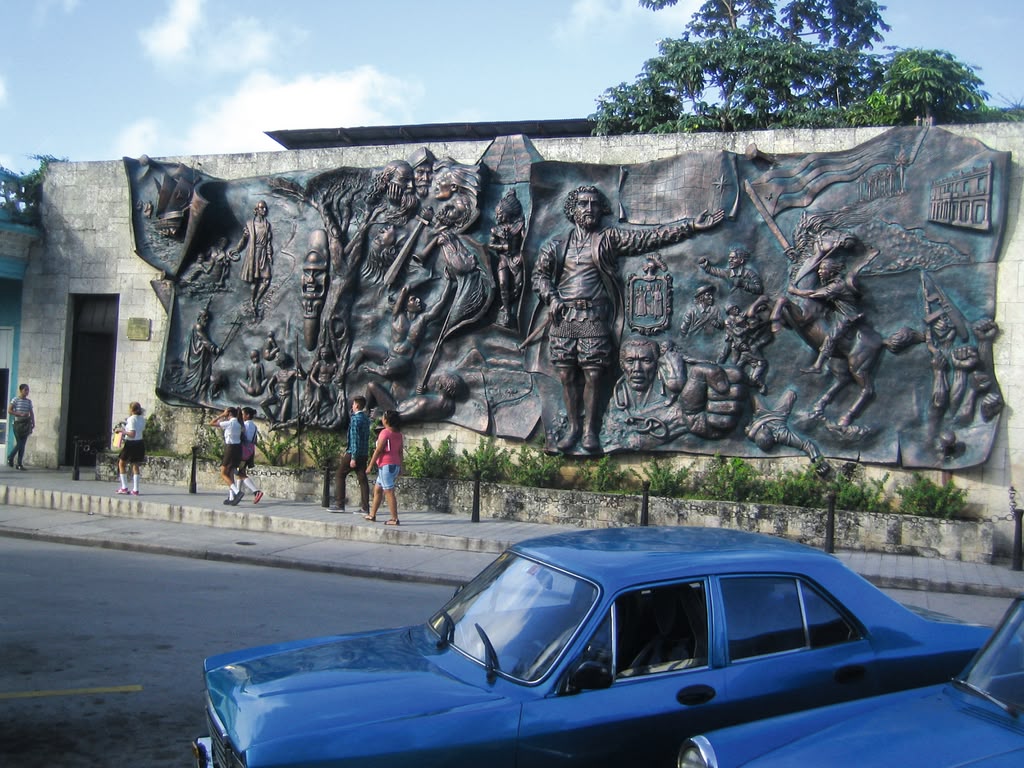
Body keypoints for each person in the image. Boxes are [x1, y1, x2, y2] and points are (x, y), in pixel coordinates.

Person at [532, 185, 724, 452]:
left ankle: (590, 431)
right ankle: (574, 427)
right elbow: (539, 276)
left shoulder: (608, 238)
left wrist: (690, 225)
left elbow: (649, 238)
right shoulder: (556, 245)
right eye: (583, 204)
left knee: (593, 374)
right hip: (564, 317)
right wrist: (551, 298)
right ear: (573, 210)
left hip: (594, 316)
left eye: (594, 204)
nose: (589, 209)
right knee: (565, 374)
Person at [231, 199, 274, 319]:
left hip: (263, 254)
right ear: (256, 210)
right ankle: (252, 301)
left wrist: (269, 254)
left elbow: (268, 242)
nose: (264, 210)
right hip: (254, 254)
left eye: (265, 208)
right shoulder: (250, 224)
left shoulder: (267, 224)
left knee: (266, 280)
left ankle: (257, 300)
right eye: (261, 208)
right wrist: (237, 249)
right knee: (255, 281)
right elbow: (244, 239)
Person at [330, 396, 370, 514]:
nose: (352, 406)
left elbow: (354, 439)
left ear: (356, 405)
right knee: (362, 479)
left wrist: (353, 457)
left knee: (340, 475)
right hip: (364, 452)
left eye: (353, 404)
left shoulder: (355, 419)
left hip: (354, 452)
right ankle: (365, 507)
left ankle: (340, 504)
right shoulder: (366, 419)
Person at [365, 410, 403, 525]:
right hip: (394, 465)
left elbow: (378, 450)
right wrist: (401, 466)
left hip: (385, 466)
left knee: (388, 491)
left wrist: (370, 465)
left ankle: (394, 519)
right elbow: (400, 451)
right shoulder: (398, 434)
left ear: (386, 420)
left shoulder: (385, 433)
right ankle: (372, 514)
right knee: (378, 489)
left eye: (383, 417)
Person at [210, 407, 244, 505]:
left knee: (223, 473)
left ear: (228, 413)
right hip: (238, 448)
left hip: (230, 448)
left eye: (226, 412)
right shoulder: (238, 424)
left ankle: (237, 492)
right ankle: (232, 497)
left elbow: (211, 423)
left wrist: (221, 415)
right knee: (230, 472)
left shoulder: (229, 423)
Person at [114, 401, 146, 495]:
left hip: (131, 443)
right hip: (139, 443)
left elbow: (132, 434)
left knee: (121, 463)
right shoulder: (142, 419)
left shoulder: (131, 419)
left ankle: (124, 487)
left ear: (131, 409)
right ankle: (135, 489)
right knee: (135, 465)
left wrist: (121, 431)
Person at [236, 407, 264, 504]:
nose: (242, 416)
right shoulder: (254, 426)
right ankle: (237, 493)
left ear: (247, 415)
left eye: (243, 414)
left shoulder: (246, 425)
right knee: (241, 471)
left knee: (240, 473)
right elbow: (255, 440)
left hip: (243, 451)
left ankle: (256, 491)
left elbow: (242, 436)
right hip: (250, 450)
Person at [7, 383, 35, 470]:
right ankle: (10, 457)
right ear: (20, 390)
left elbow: (31, 412)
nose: (27, 392)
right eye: (25, 390)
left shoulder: (29, 401)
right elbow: (9, 410)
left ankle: (19, 464)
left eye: (28, 390)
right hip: (17, 424)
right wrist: (20, 414)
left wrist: (33, 422)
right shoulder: (15, 400)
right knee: (20, 443)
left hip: (26, 424)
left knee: (22, 445)